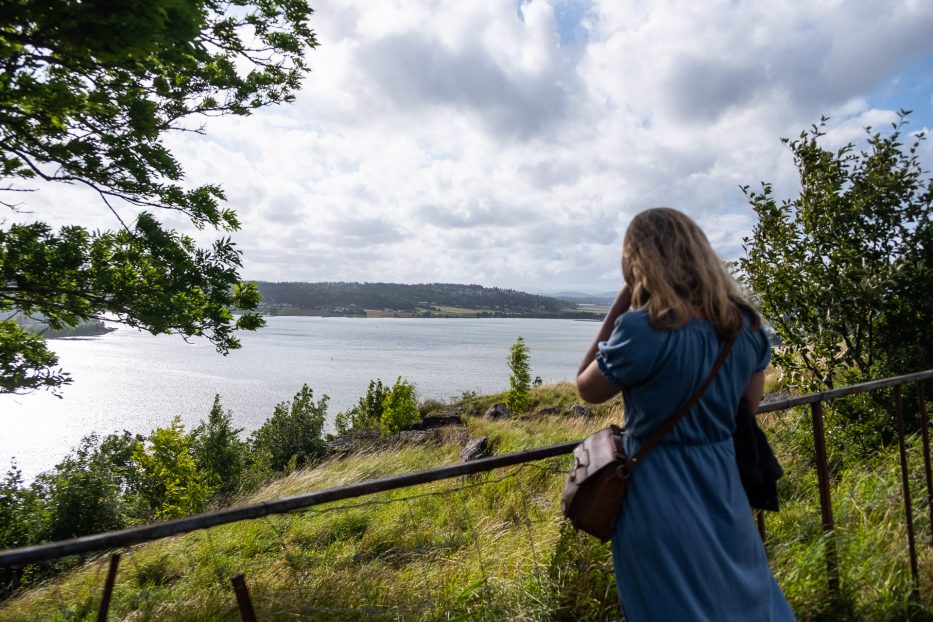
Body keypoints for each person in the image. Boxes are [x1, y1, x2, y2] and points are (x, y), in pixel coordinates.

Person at [576, 207, 795, 621]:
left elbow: (586, 388)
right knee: (742, 598)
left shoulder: (642, 330)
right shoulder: (744, 327)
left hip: (655, 492)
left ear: (638, 263)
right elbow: (747, 407)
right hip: (723, 485)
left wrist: (623, 299)